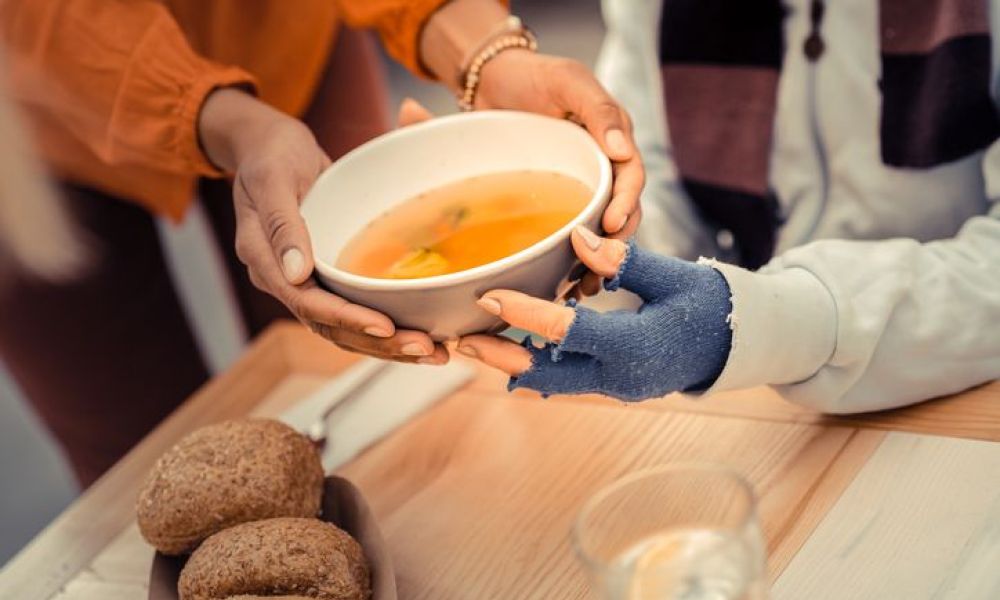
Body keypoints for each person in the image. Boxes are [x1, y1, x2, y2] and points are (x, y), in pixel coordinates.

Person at [0, 0, 643, 485]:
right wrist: (215, 117)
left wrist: (481, 47)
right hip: (26, 107)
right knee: (135, 456)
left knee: (358, 363)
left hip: (276, 29)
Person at [457, 0, 1000, 414]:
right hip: (756, 395)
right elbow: (649, 189)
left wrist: (767, 322)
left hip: (956, 373)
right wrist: (522, 233)